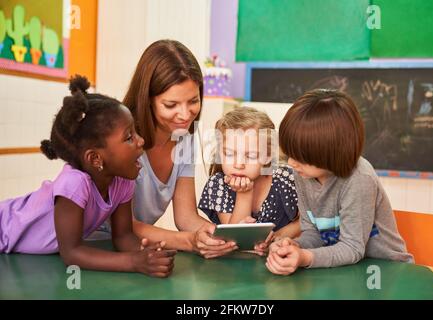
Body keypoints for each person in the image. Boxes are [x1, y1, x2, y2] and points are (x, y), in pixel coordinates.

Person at [0, 76, 175, 278]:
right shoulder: (74, 183)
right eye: (129, 137)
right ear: (95, 158)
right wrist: (134, 262)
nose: (141, 140)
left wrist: (149, 255)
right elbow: (72, 253)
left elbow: (123, 236)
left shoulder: (123, 181)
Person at [266, 89, 413, 275]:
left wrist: (303, 257)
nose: (291, 163)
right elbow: (314, 234)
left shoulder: (359, 178)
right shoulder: (303, 172)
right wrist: (292, 246)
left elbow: (352, 248)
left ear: (331, 150)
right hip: (343, 269)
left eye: (301, 157)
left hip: (384, 272)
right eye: (290, 154)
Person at [123, 39, 236, 258]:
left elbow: (185, 217)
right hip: (92, 246)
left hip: (135, 253)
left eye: (193, 101)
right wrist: (188, 242)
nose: (185, 115)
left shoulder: (185, 138)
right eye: (171, 105)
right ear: (147, 100)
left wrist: (214, 235)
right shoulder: (123, 140)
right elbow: (125, 226)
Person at [198, 107, 300, 241]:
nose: (239, 164)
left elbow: (307, 221)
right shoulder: (218, 184)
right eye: (229, 154)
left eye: (251, 156)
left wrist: (277, 237)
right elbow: (237, 238)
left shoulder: (287, 178)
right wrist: (244, 194)